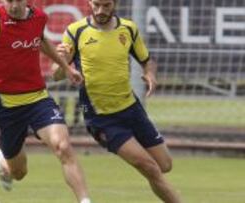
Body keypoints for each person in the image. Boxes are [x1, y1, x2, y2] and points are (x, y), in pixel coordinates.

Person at [0, 1, 92, 203]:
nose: (13, 5)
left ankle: (85, 200)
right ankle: (4, 161)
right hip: (6, 106)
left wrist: (66, 68)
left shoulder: (38, 17)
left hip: (38, 99)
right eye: (9, 0)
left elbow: (41, 40)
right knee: (19, 173)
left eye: (18, 0)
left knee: (63, 147)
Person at [53, 0, 182, 202]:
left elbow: (147, 61)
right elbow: (56, 75)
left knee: (165, 165)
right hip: (101, 118)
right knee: (150, 168)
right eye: (96, 5)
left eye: (106, 5)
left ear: (115, 4)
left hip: (131, 109)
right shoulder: (75, 31)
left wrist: (150, 74)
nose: (100, 11)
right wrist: (63, 63)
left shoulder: (128, 29)